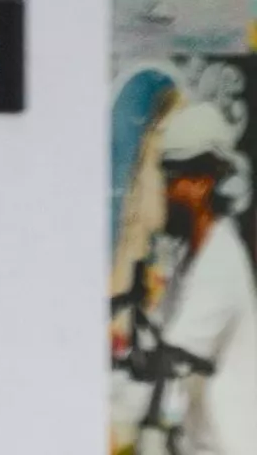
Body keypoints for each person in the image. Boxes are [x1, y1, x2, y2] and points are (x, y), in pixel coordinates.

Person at [110, 101, 257, 455]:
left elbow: (164, 361)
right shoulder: (188, 256)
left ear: (203, 182)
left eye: (172, 176)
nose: (163, 189)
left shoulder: (220, 263)